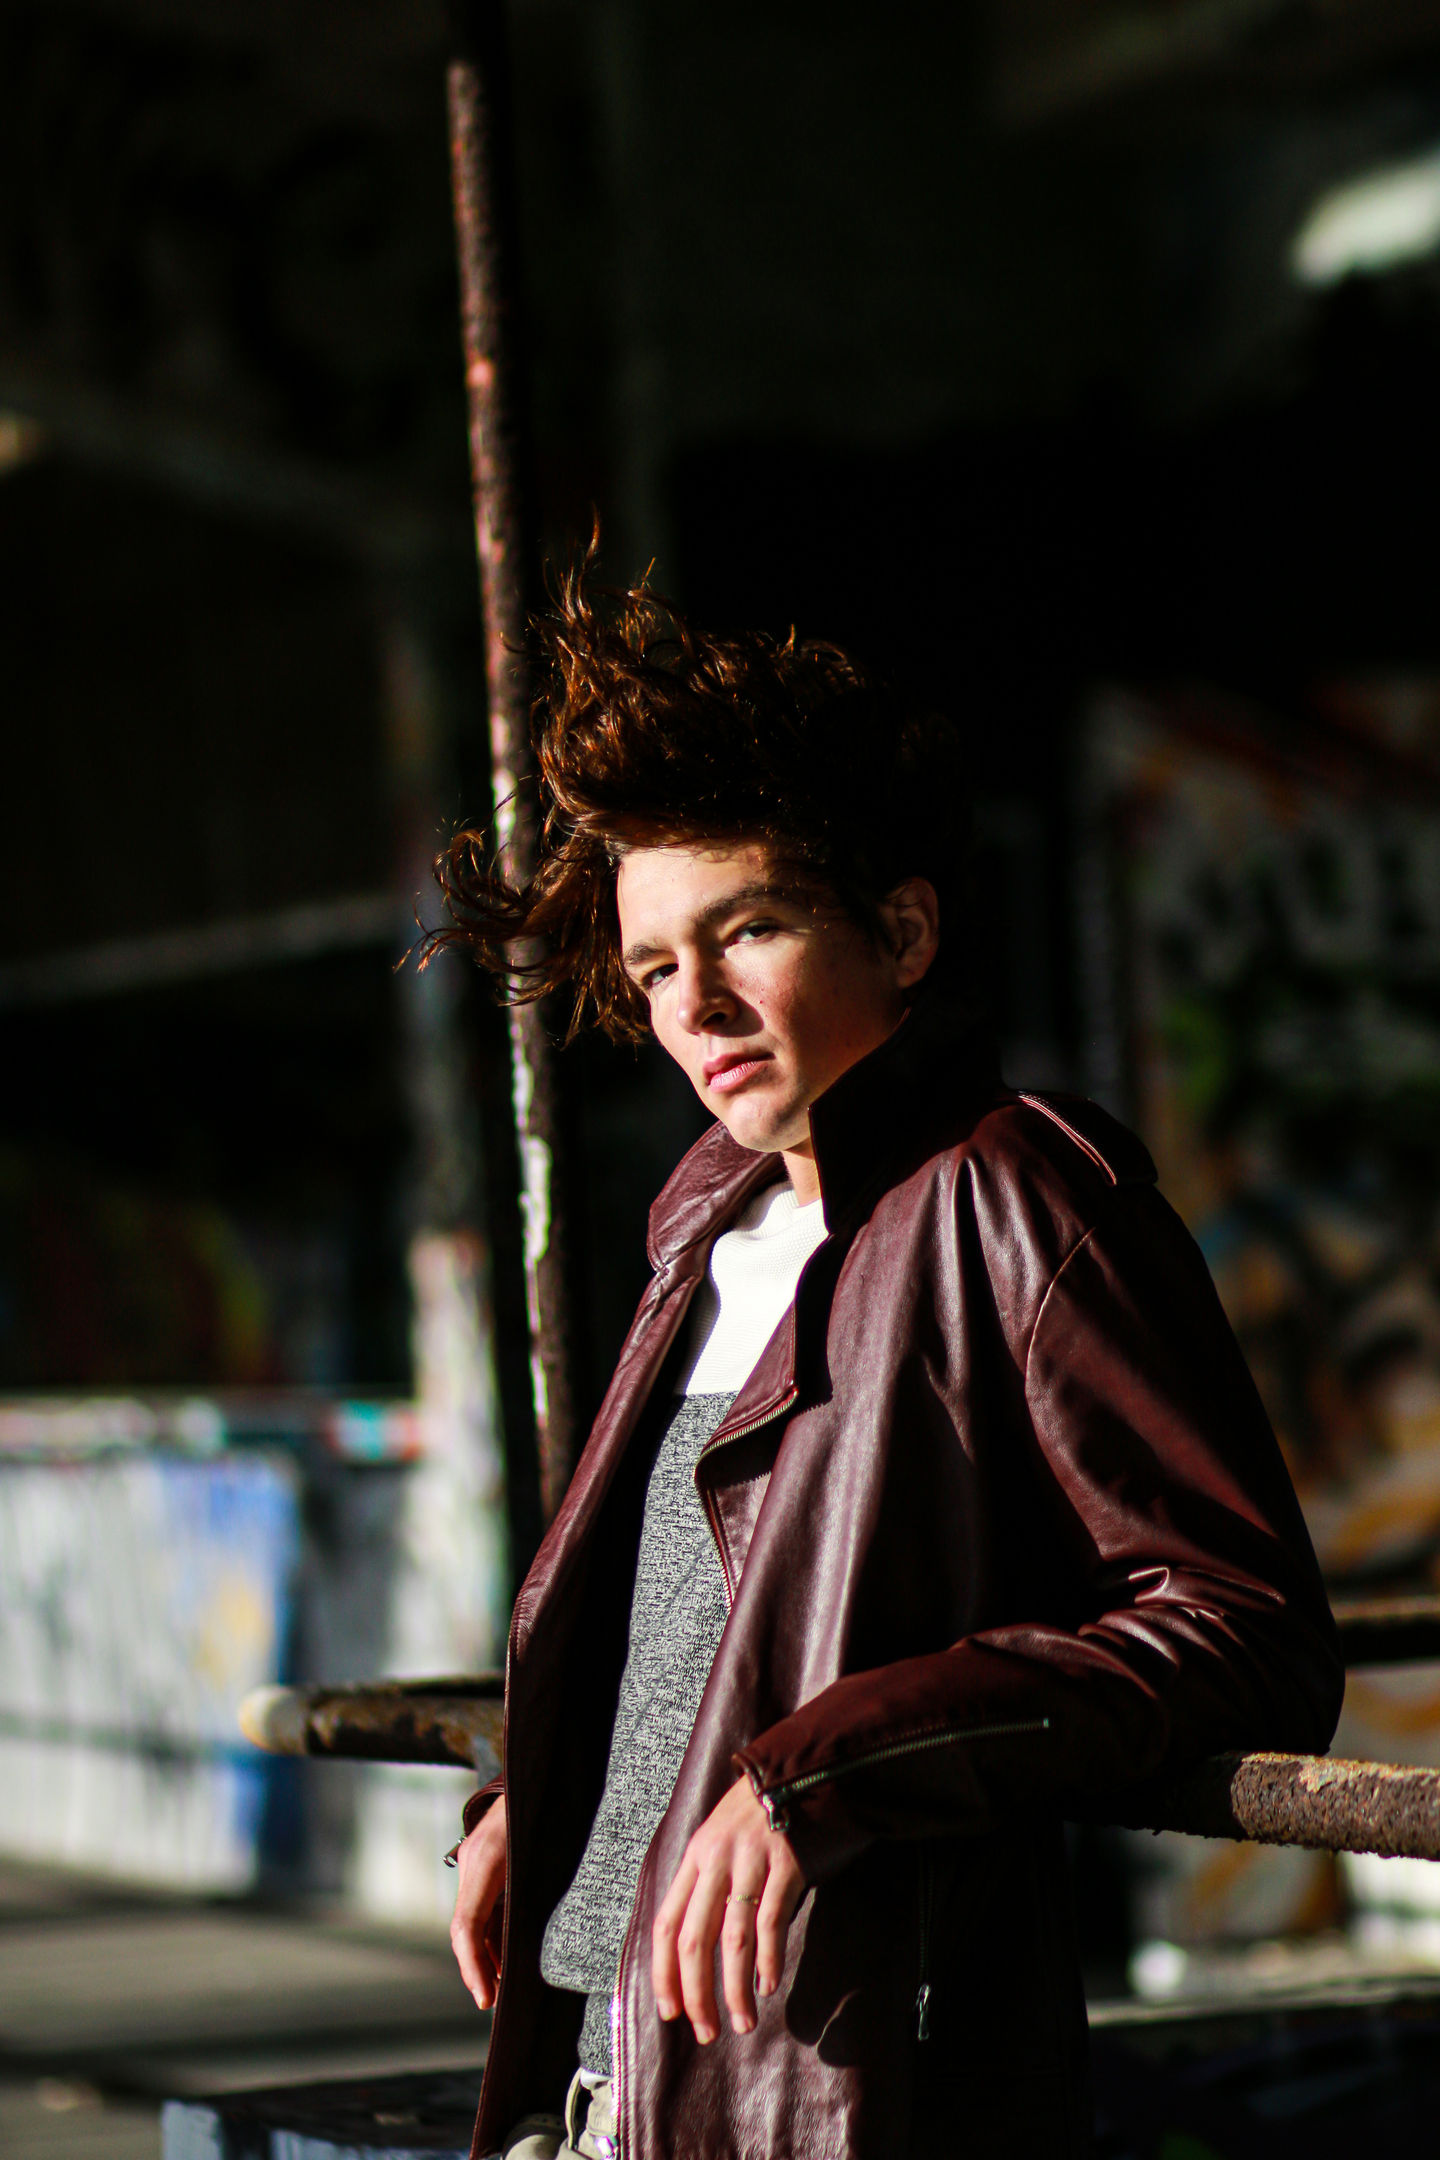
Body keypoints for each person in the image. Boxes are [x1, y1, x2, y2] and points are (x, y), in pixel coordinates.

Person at [436, 561, 1343, 2160]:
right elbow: (694, 1631)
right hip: (606, 2084)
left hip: (838, 2093)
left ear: (904, 929)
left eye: (751, 931)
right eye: (655, 968)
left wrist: (830, 1772)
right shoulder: (697, 1231)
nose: (695, 1005)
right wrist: (540, 1794)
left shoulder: (1024, 1196)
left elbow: (1244, 1631)